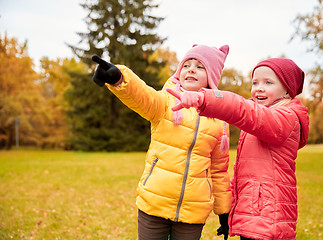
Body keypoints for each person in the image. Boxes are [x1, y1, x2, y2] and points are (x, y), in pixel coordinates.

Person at [91, 44, 233, 240]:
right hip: (154, 202)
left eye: (200, 67)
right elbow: (141, 95)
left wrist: (224, 211)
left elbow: (218, 170)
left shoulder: (218, 119)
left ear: (213, 77)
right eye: (186, 65)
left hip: (193, 210)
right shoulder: (165, 102)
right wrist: (119, 77)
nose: (191, 69)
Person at [167, 58, 310, 239]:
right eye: (255, 82)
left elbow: (244, 110)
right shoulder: (259, 119)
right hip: (255, 212)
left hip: (269, 215)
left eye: (268, 82)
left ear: (287, 90)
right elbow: (244, 174)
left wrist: (205, 98)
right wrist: (230, 212)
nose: (259, 87)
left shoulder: (286, 117)